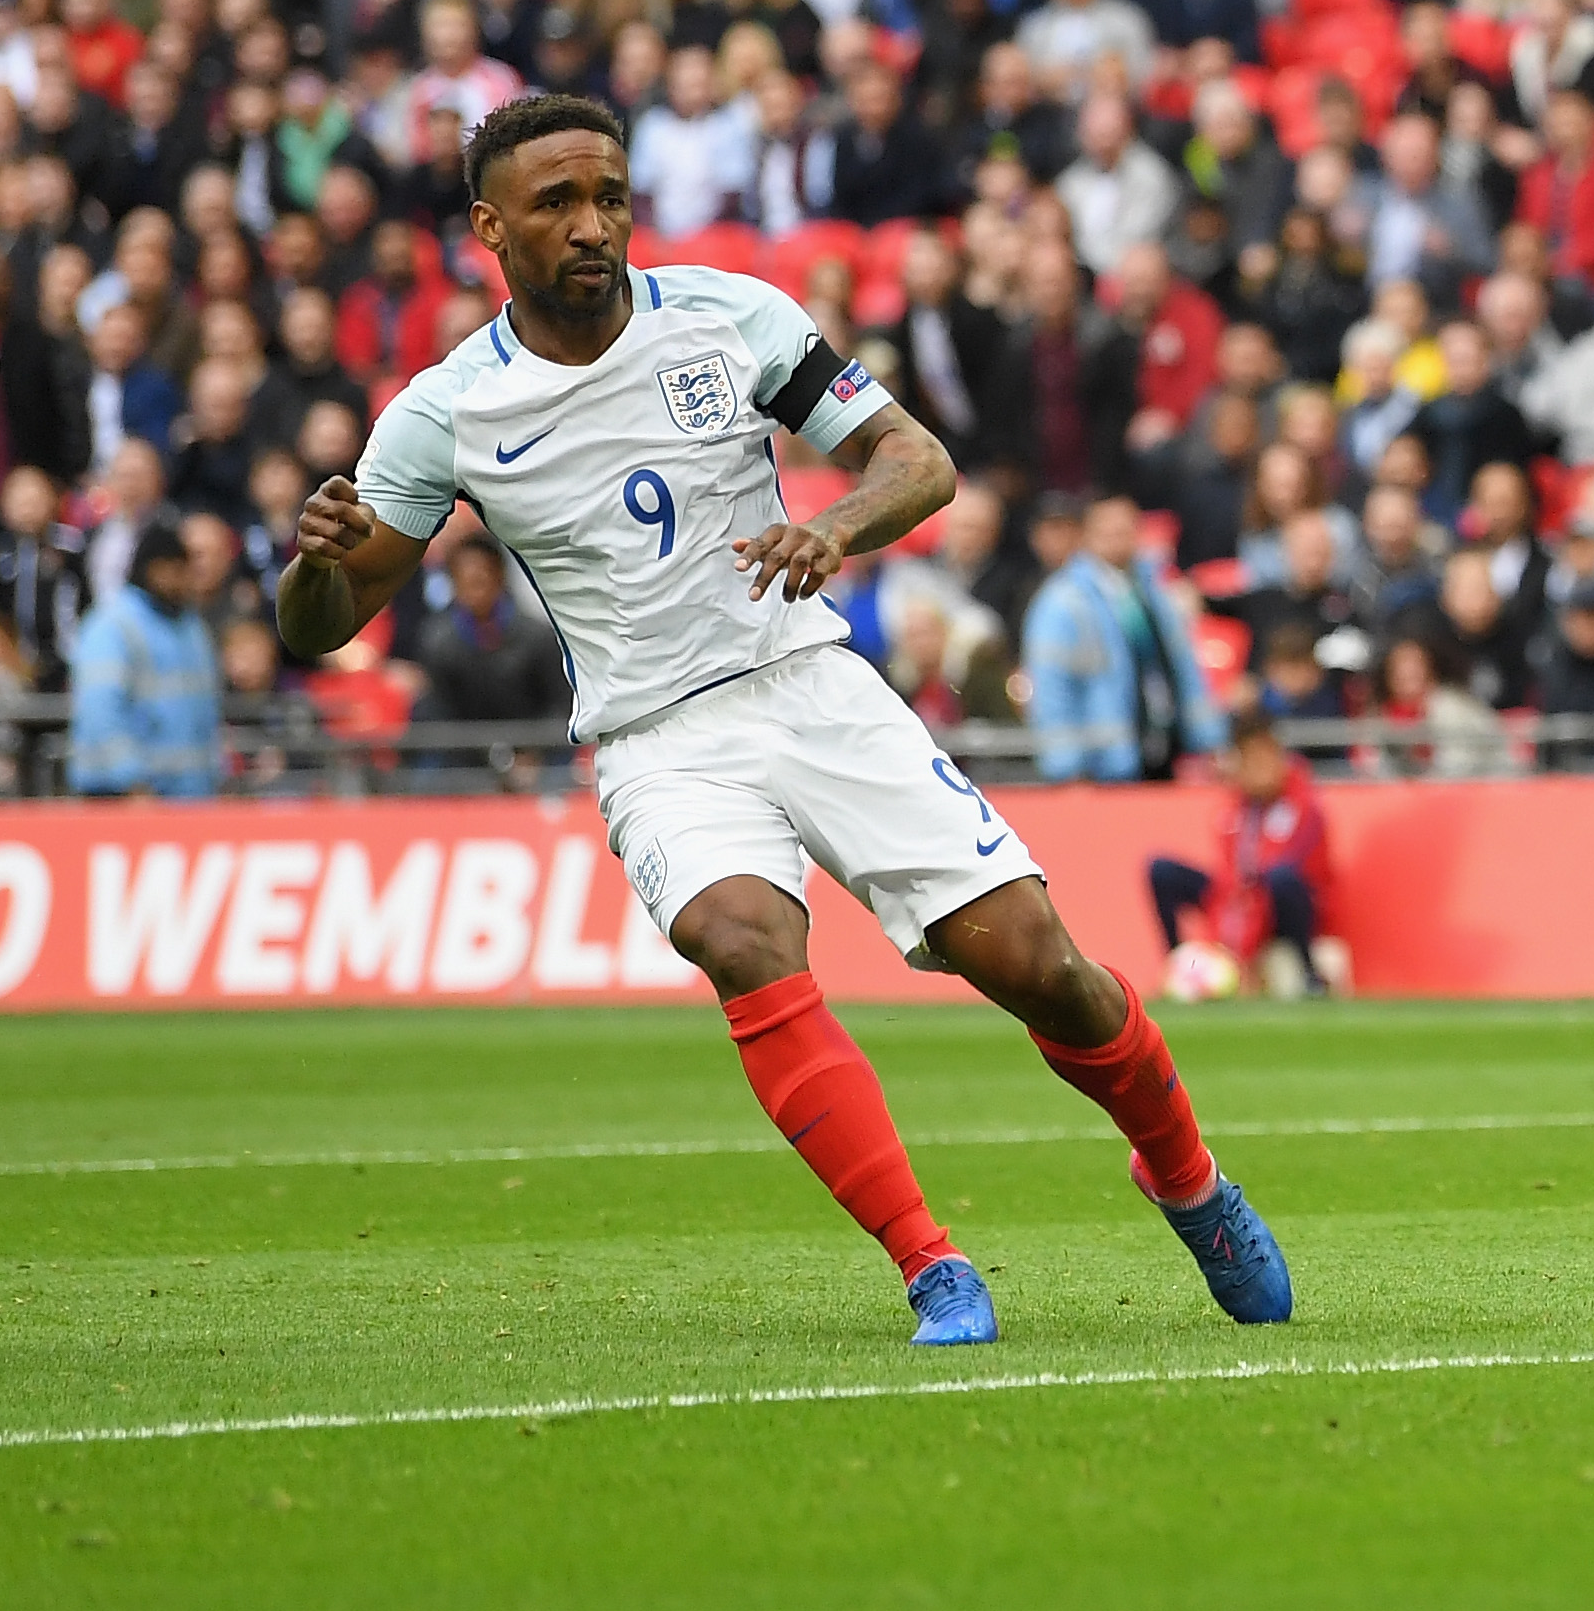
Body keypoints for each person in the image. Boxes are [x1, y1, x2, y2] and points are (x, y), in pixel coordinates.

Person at [281, 95, 1290, 1348]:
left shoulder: (727, 313)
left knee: (1041, 968)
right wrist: (316, 563)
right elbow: (325, 620)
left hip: (808, 681)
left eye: (609, 194)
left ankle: (1188, 1179)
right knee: (739, 936)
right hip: (657, 738)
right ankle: (934, 1265)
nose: (592, 224)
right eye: (556, 203)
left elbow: (919, 461)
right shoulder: (445, 410)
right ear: (490, 226)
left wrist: (834, 525)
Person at [1024, 488, 1224, 783]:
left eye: (1126, 529)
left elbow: (1185, 670)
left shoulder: (1155, 592)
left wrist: (1208, 740)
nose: (1119, 539)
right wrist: (1066, 767)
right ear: (1086, 536)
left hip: (1166, 752)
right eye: (1108, 531)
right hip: (1102, 766)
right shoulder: (1062, 602)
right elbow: (1052, 690)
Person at [1150, 714, 1344, 996]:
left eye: (1264, 759)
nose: (1259, 769)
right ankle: (1180, 965)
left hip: (1286, 906)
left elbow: (1284, 864)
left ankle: (1308, 973)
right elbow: (1231, 869)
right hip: (1238, 897)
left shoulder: (1305, 804)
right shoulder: (1233, 809)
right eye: (1250, 760)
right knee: (1161, 870)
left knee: (1282, 878)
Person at [65, 513, 225, 796]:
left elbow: (206, 712)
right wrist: (130, 782)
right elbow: (100, 711)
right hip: (125, 798)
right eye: (180, 569)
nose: (188, 579)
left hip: (188, 798)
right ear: (156, 570)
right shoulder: (112, 626)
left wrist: (214, 777)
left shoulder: (190, 626)